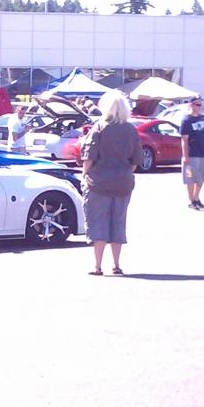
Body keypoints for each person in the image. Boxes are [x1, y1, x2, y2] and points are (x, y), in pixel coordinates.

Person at [80, 90, 143, 276]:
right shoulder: (131, 130)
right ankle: (116, 265)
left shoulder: (99, 127)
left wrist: (85, 174)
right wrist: (124, 173)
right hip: (123, 183)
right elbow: (136, 159)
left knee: (98, 223)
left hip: (98, 182)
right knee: (118, 223)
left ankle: (98, 266)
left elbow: (89, 156)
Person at [180, 96, 204, 210]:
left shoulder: (203, 118)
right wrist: (185, 156)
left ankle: (196, 198)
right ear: (191, 105)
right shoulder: (186, 120)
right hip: (191, 154)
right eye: (197, 104)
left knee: (201, 178)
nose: (199, 107)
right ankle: (192, 200)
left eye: (200, 104)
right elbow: (184, 140)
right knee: (190, 178)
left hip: (202, 153)